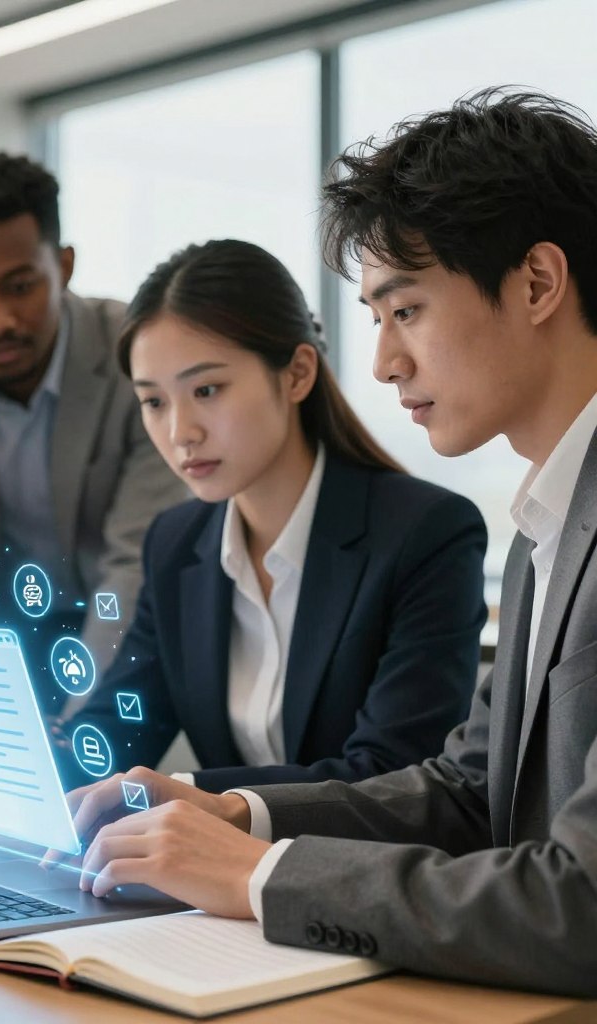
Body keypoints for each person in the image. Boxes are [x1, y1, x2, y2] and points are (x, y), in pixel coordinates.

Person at [50, 90, 597, 997]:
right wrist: (233, 811)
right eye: (376, 320)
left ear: (538, 283)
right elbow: (468, 793)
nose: (383, 362)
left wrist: (253, 875)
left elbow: (580, 906)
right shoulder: (550, 522)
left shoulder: (461, 524)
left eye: (406, 310)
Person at [60, 239, 486, 791]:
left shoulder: (426, 535)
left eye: (206, 389)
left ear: (296, 374)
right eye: (154, 401)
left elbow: (392, 773)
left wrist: (187, 795)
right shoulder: (176, 542)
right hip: (215, 875)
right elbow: (115, 729)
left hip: (355, 874)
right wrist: (18, 762)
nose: (179, 432)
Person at [0, 153, 186, 681]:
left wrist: (77, 712)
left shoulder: (134, 358)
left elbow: (133, 562)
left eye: (20, 287)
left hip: (127, 614)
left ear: (64, 266)